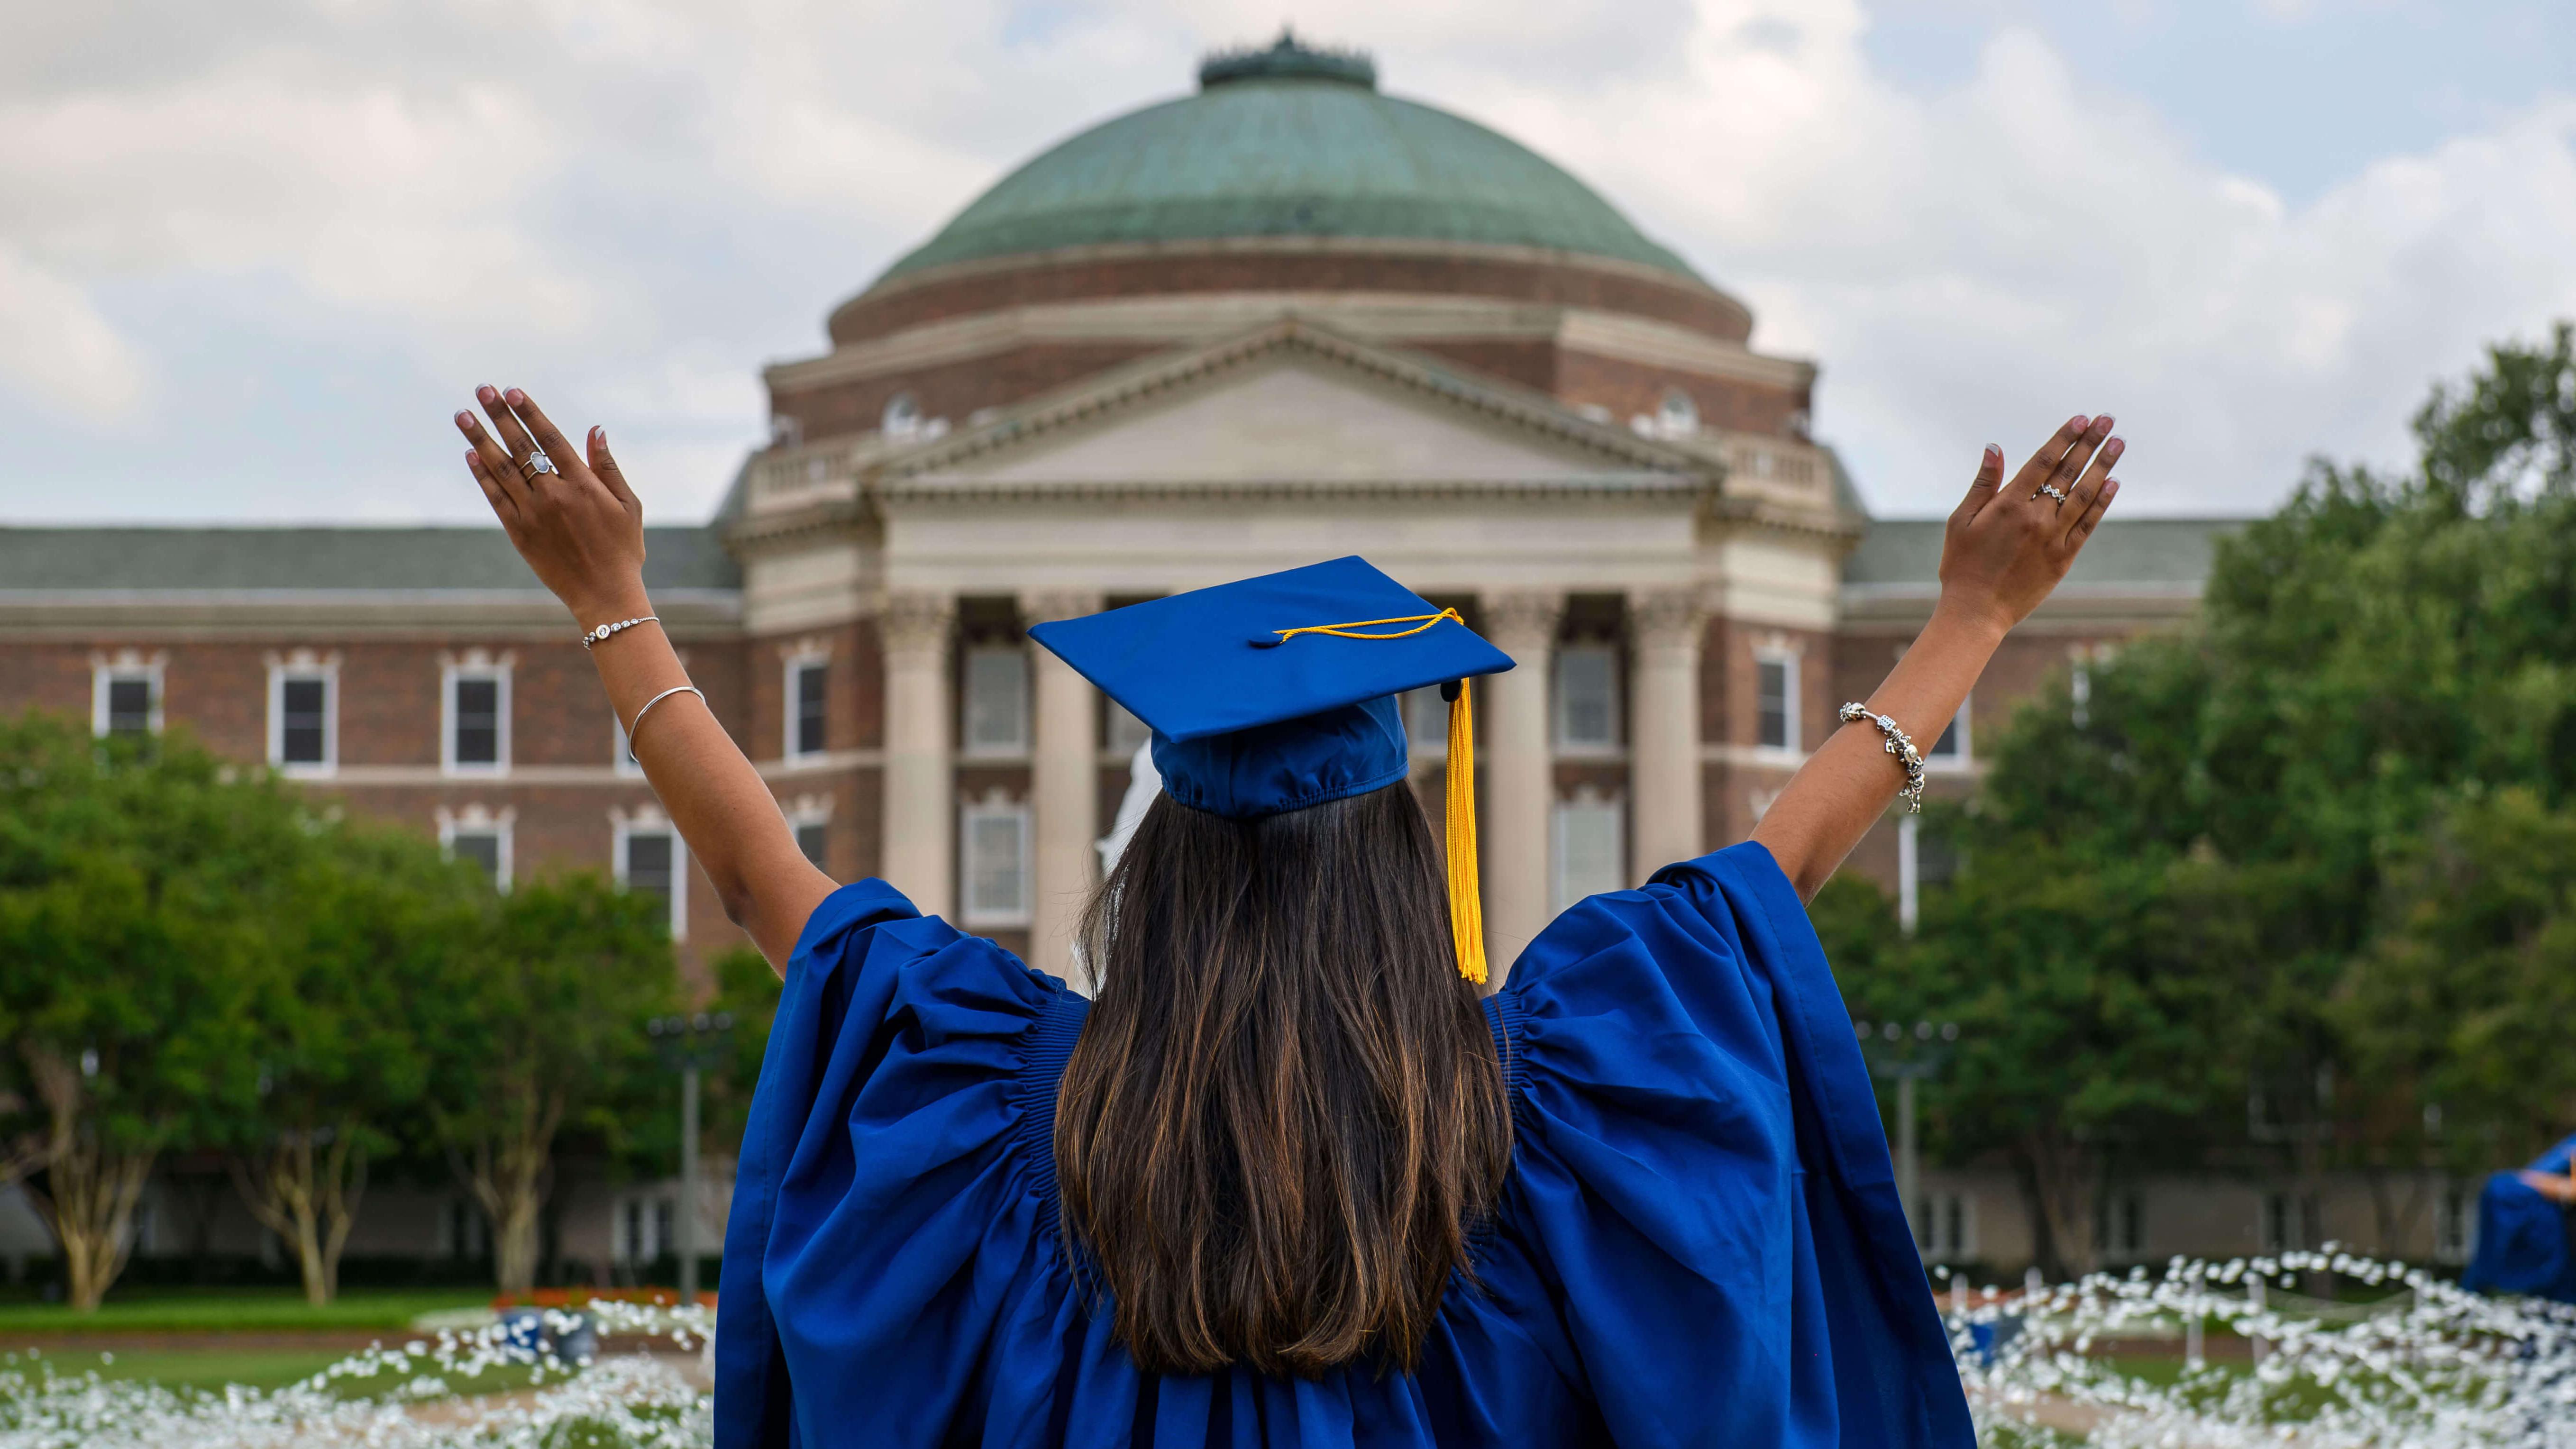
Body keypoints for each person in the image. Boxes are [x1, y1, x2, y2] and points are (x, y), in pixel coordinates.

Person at [451, 386, 2126, 1447]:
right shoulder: (1559, 1094)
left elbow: (764, 886)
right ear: (1402, 853)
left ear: (1154, 862)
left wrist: (615, 607)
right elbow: (1782, 863)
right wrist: (1972, 615)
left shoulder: (992, 1096)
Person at [2463, 1133, 2576, 1303]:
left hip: (2558, 1260)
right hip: (2558, 1250)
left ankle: (2472, 1292)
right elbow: (2531, 1176)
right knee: (2503, 1190)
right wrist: (2564, 1188)